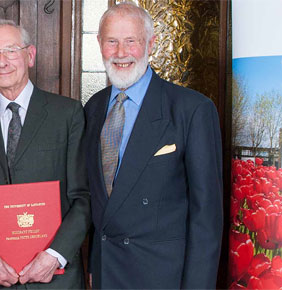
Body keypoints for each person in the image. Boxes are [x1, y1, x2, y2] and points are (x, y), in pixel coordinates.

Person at [83, 1, 223, 289]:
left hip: (162, 278)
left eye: (131, 41)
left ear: (151, 43)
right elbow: (98, 204)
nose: (121, 53)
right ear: (99, 44)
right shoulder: (93, 108)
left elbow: (206, 217)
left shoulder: (192, 110)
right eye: (112, 42)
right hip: (107, 274)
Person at [0, 19, 90, 288]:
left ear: (30, 55)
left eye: (11, 50)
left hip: (55, 278)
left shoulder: (68, 114)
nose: (2, 61)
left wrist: (54, 255)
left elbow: (82, 197)